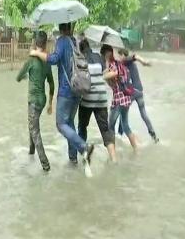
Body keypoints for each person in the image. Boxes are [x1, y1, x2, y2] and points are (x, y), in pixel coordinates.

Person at [30, 23, 95, 177]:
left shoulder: (62, 41)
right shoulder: (76, 41)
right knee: (70, 123)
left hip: (66, 90)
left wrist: (36, 53)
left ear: (60, 28)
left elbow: (53, 59)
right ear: (71, 28)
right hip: (78, 90)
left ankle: (83, 147)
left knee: (61, 124)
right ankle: (73, 159)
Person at [17, 31, 54, 171]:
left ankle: (45, 165)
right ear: (45, 44)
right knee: (32, 125)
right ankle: (31, 151)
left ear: (34, 43)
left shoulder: (30, 61)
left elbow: (18, 77)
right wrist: (50, 104)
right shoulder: (47, 63)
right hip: (42, 100)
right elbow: (51, 84)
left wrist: (26, 76)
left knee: (35, 130)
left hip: (33, 100)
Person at [78, 35, 117, 162]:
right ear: (89, 47)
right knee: (105, 130)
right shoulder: (99, 57)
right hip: (101, 98)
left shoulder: (81, 59)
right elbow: (105, 74)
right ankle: (114, 159)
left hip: (87, 100)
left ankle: (84, 153)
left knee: (82, 126)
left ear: (81, 49)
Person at [101, 44, 138, 152]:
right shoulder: (120, 64)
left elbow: (112, 74)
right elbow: (114, 83)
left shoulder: (113, 65)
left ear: (106, 54)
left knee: (110, 127)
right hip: (127, 98)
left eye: (103, 55)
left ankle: (113, 154)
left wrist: (104, 75)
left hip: (118, 100)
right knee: (125, 126)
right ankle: (136, 150)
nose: (103, 58)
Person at [118, 49, 159, 143]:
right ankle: (153, 135)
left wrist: (144, 62)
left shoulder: (126, 61)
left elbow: (135, 56)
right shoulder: (129, 65)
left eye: (120, 55)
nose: (119, 58)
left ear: (124, 55)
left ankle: (119, 135)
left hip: (132, 91)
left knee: (123, 112)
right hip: (140, 91)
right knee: (144, 114)